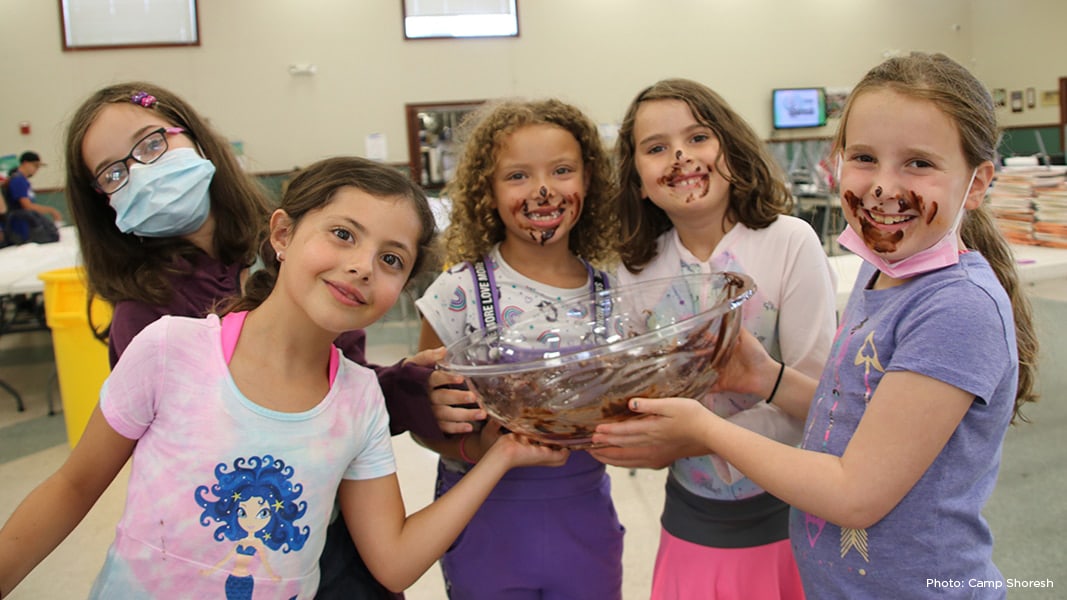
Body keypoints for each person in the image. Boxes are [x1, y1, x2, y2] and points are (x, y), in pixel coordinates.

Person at [0, 156, 569, 599]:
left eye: (391, 259)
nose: (362, 265)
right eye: (343, 234)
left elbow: (393, 559)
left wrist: (500, 456)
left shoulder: (359, 400)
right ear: (282, 234)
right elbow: (71, 488)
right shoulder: (170, 349)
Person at [594, 53, 1039, 599]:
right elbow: (843, 411)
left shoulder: (957, 309)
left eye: (919, 163)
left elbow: (855, 493)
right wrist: (766, 378)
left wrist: (702, 429)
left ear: (976, 184)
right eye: (865, 158)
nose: (884, 186)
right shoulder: (883, 275)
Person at [62, 81, 451, 598]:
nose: (143, 173)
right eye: (114, 173)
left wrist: (404, 387)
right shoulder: (150, 321)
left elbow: (332, 394)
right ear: (102, 200)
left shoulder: (307, 246)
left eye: (151, 145)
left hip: (334, 522)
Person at [588, 78, 838, 599]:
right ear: (638, 180)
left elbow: (826, 404)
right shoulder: (635, 270)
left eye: (697, 137)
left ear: (732, 150)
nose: (680, 155)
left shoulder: (790, 243)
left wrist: (703, 432)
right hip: (691, 515)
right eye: (656, 148)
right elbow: (640, 404)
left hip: (793, 508)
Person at [413, 98, 624, 599]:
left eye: (562, 170)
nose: (543, 189)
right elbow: (424, 420)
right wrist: (481, 449)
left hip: (584, 518)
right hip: (484, 517)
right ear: (486, 191)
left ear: (588, 181)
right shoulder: (457, 292)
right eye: (518, 176)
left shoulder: (612, 293)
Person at [2, 151, 62, 243]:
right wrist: (51, 211)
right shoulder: (18, 181)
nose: (36, 169)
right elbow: (27, 206)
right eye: (35, 166)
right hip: (20, 225)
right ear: (25, 163)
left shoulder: (22, 180)